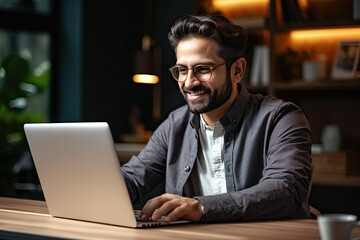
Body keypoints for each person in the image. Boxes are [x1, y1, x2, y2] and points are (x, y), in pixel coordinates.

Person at [121, 14, 312, 223]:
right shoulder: (175, 124)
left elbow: (286, 190)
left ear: (237, 71)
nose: (189, 82)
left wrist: (202, 207)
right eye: (182, 70)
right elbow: (133, 178)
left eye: (203, 69)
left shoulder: (281, 118)